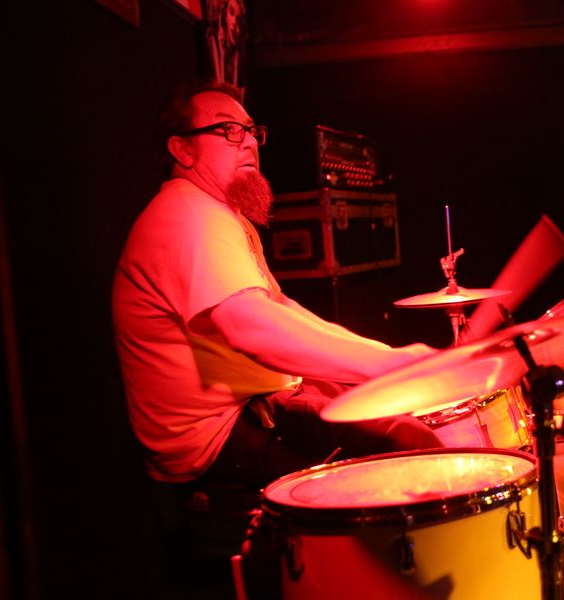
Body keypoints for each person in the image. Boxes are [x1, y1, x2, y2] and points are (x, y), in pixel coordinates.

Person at [112, 80, 443, 495]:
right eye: (228, 129)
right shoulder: (189, 214)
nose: (249, 142)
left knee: (392, 415)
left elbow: (279, 307)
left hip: (253, 402)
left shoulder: (221, 214)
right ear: (182, 149)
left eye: (251, 130)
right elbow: (249, 327)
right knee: (407, 444)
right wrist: (390, 368)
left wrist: (388, 359)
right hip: (216, 438)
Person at [205, 0, 245, 88]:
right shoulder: (213, 42)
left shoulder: (241, 55)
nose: (234, 22)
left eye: (238, 19)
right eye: (231, 13)